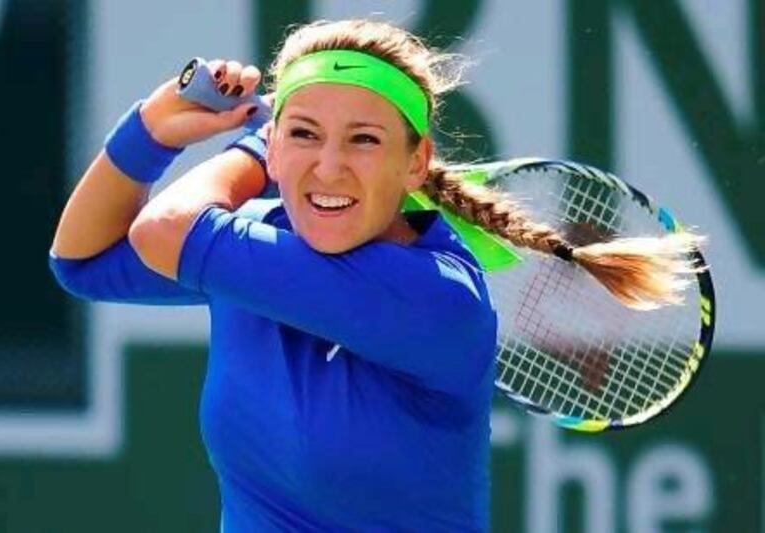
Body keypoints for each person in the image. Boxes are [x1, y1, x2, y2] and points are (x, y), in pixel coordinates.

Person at [50, 19, 698, 532]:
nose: (329, 167)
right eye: (307, 134)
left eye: (362, 140)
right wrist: (149, 130)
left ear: (416, 161)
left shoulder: (436, 297)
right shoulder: (258, 248)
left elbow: (162, 231)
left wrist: (259, 152)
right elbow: (83, 261)